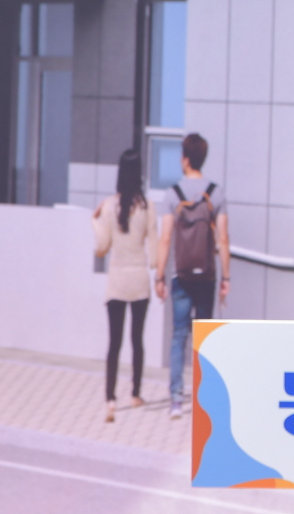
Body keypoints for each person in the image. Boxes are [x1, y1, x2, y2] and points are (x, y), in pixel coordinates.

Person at [154, 133, 230, 420]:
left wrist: (159, 276)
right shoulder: (216, 193)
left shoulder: (173, 194)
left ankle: (176, 399)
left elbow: (165, 239)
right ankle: (204, 399)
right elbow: (223, 239)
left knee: (179, 336)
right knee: (205, 337)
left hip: (181, 276)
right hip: (207, 277)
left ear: (185, 159)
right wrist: (226, 277)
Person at [92, 149, 158, 423]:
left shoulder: (109, 206)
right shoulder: (147, 206)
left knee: (114, 342)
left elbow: (102, 247)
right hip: (139, 279)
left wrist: (95, 221)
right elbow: (154, 253)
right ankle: (135, 394)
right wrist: (158, 271)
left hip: (117, 280)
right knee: (137, 340)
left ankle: (110, 399)